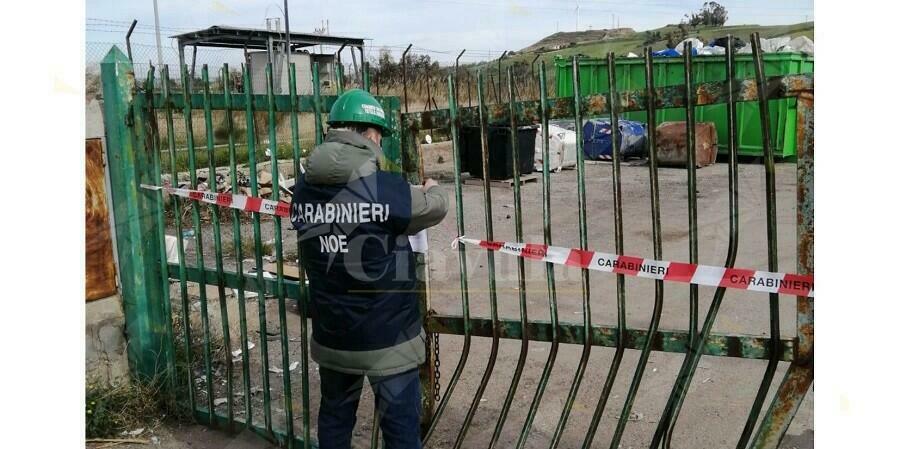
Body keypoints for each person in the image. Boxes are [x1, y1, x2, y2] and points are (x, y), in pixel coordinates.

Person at [290, 89, 448, 449]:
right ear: (369, 133)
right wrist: (432, 187)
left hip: (333, 334)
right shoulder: (383, 187)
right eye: (379, 135)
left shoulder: (303, 189)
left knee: (334, 419)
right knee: (400, 431)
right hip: (388, 338)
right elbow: (434, 207)